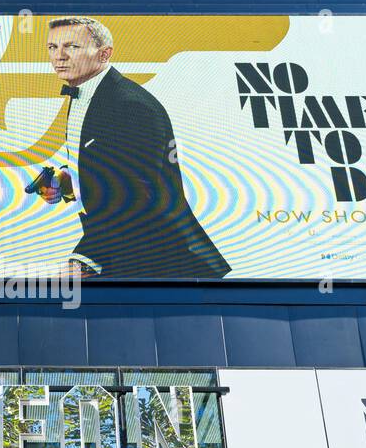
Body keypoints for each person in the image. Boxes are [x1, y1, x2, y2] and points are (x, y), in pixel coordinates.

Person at [37, 17, 230, 279]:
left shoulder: (131, 106)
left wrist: (85, 258)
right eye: (52, 47)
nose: (58, 56)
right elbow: (102, 164)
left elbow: (134, 194)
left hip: (161, 260)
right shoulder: (85, 92)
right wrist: (64, 181)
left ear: (105, 54)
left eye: (72, 47)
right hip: (119, 251)